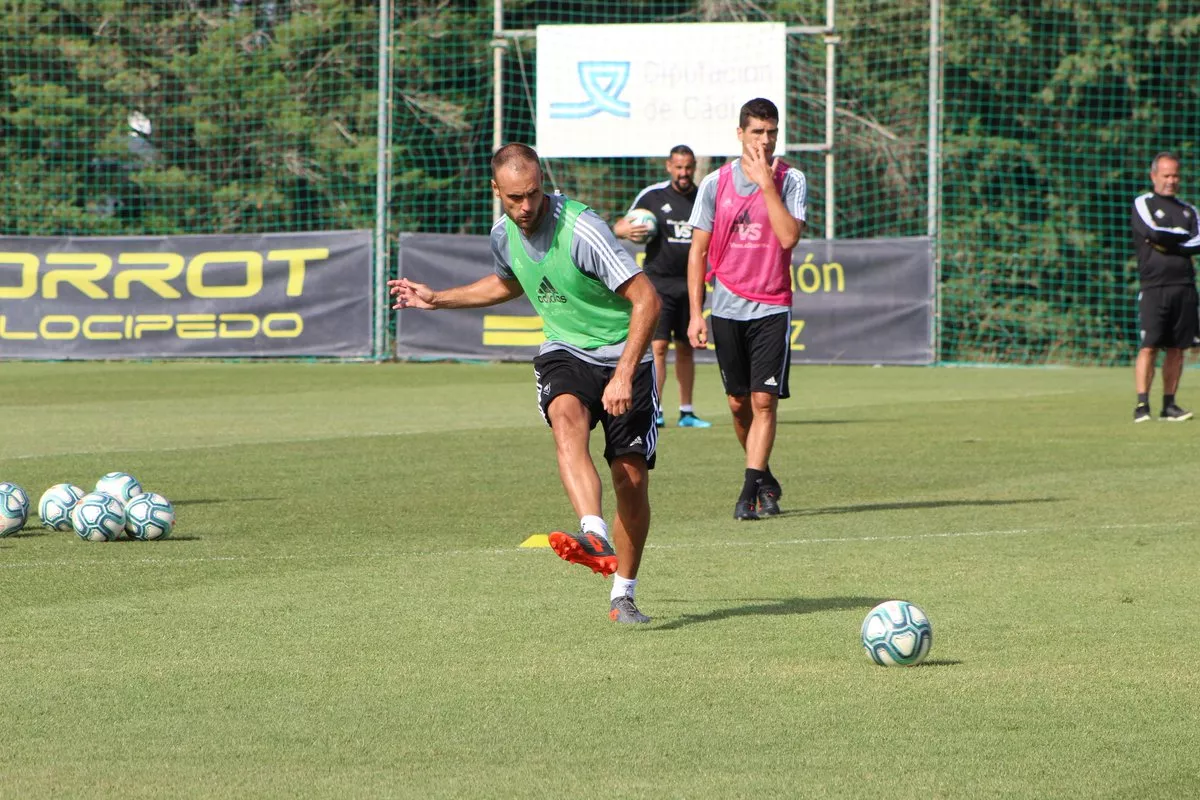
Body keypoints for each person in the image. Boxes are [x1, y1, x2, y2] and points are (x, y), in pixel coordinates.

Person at [388, 143, 662, 623]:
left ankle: (623, 592)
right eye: (514, 198)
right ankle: (594, 532)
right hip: (566, 350)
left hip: (625, 357)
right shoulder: (503, 234)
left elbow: (647, 300)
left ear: (542, 184)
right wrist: (439, 300)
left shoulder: (583, 230)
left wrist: (623, 373)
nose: (526, 207)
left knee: (631, 479)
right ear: (496, 191)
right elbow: (508, 282)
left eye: (533, 194)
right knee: (565, 417)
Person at [685, 98, 807, 520]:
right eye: (757, 132)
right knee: (738, 404)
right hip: (727, 308)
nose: (766, 140)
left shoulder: (791, 180)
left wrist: (768, 186)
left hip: (772, 305)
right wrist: (696, 313)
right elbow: (698, 251)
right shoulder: (716, 183)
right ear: (740, 134)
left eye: (771, 132)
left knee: (763, 402)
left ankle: (747, 492)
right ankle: (765, 478)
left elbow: (788, 237)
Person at [613, 145, 712, 430]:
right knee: (657, 347)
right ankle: (656, 409)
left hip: (691, 284)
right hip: (658, 284)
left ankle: (687, 411)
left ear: (694, 167)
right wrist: (624, 230)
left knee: (686, 347)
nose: (683, 173)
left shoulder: (702, 197)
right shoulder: (653, 196)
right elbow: (619, 226)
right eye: (678, 167)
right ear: (669, 166)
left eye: (688, 168)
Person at [1131, 151, 1200, 423]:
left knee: (1177, 348)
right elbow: (1152, 232)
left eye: (1175, 175)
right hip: (1154, 286)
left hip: (1184, 287)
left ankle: (1169, 405)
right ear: (1154, 176)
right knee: (1149, 346)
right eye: (1166, 175)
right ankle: (1141, 405)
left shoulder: (1189, 210)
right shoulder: (1143, 203)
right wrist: (1180, 242)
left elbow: (1198, 242)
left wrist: (1170, 242)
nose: (1171, 180)